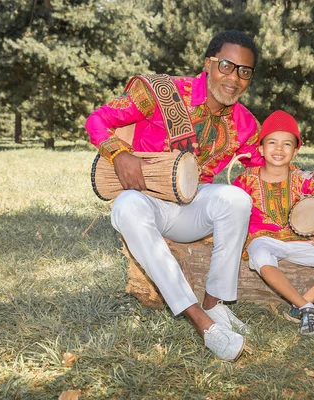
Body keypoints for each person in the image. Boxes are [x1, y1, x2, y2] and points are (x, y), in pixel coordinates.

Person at [85, 31, 264, 361]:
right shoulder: (163, 91)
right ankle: (203, 323)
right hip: (147, 201)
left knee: (237, 200)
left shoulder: (246, 124)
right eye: (227, 65)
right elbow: (98, 118)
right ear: (208, 63)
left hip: (191, 208)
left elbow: (267, 167)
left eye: (244, 71)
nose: (234, 77)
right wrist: (119, 154)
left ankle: (216, 305)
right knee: (125, 207)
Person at [233, 110, 314, 335]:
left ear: (296, 150)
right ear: (260, 148)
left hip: (300, 242)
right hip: (264, 241)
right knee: (259, 254)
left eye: (286, 144)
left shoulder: (303, 178)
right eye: (272, 142)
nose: (279, 149)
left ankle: (298, 305)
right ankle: (307, 307)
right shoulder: (246, 180)